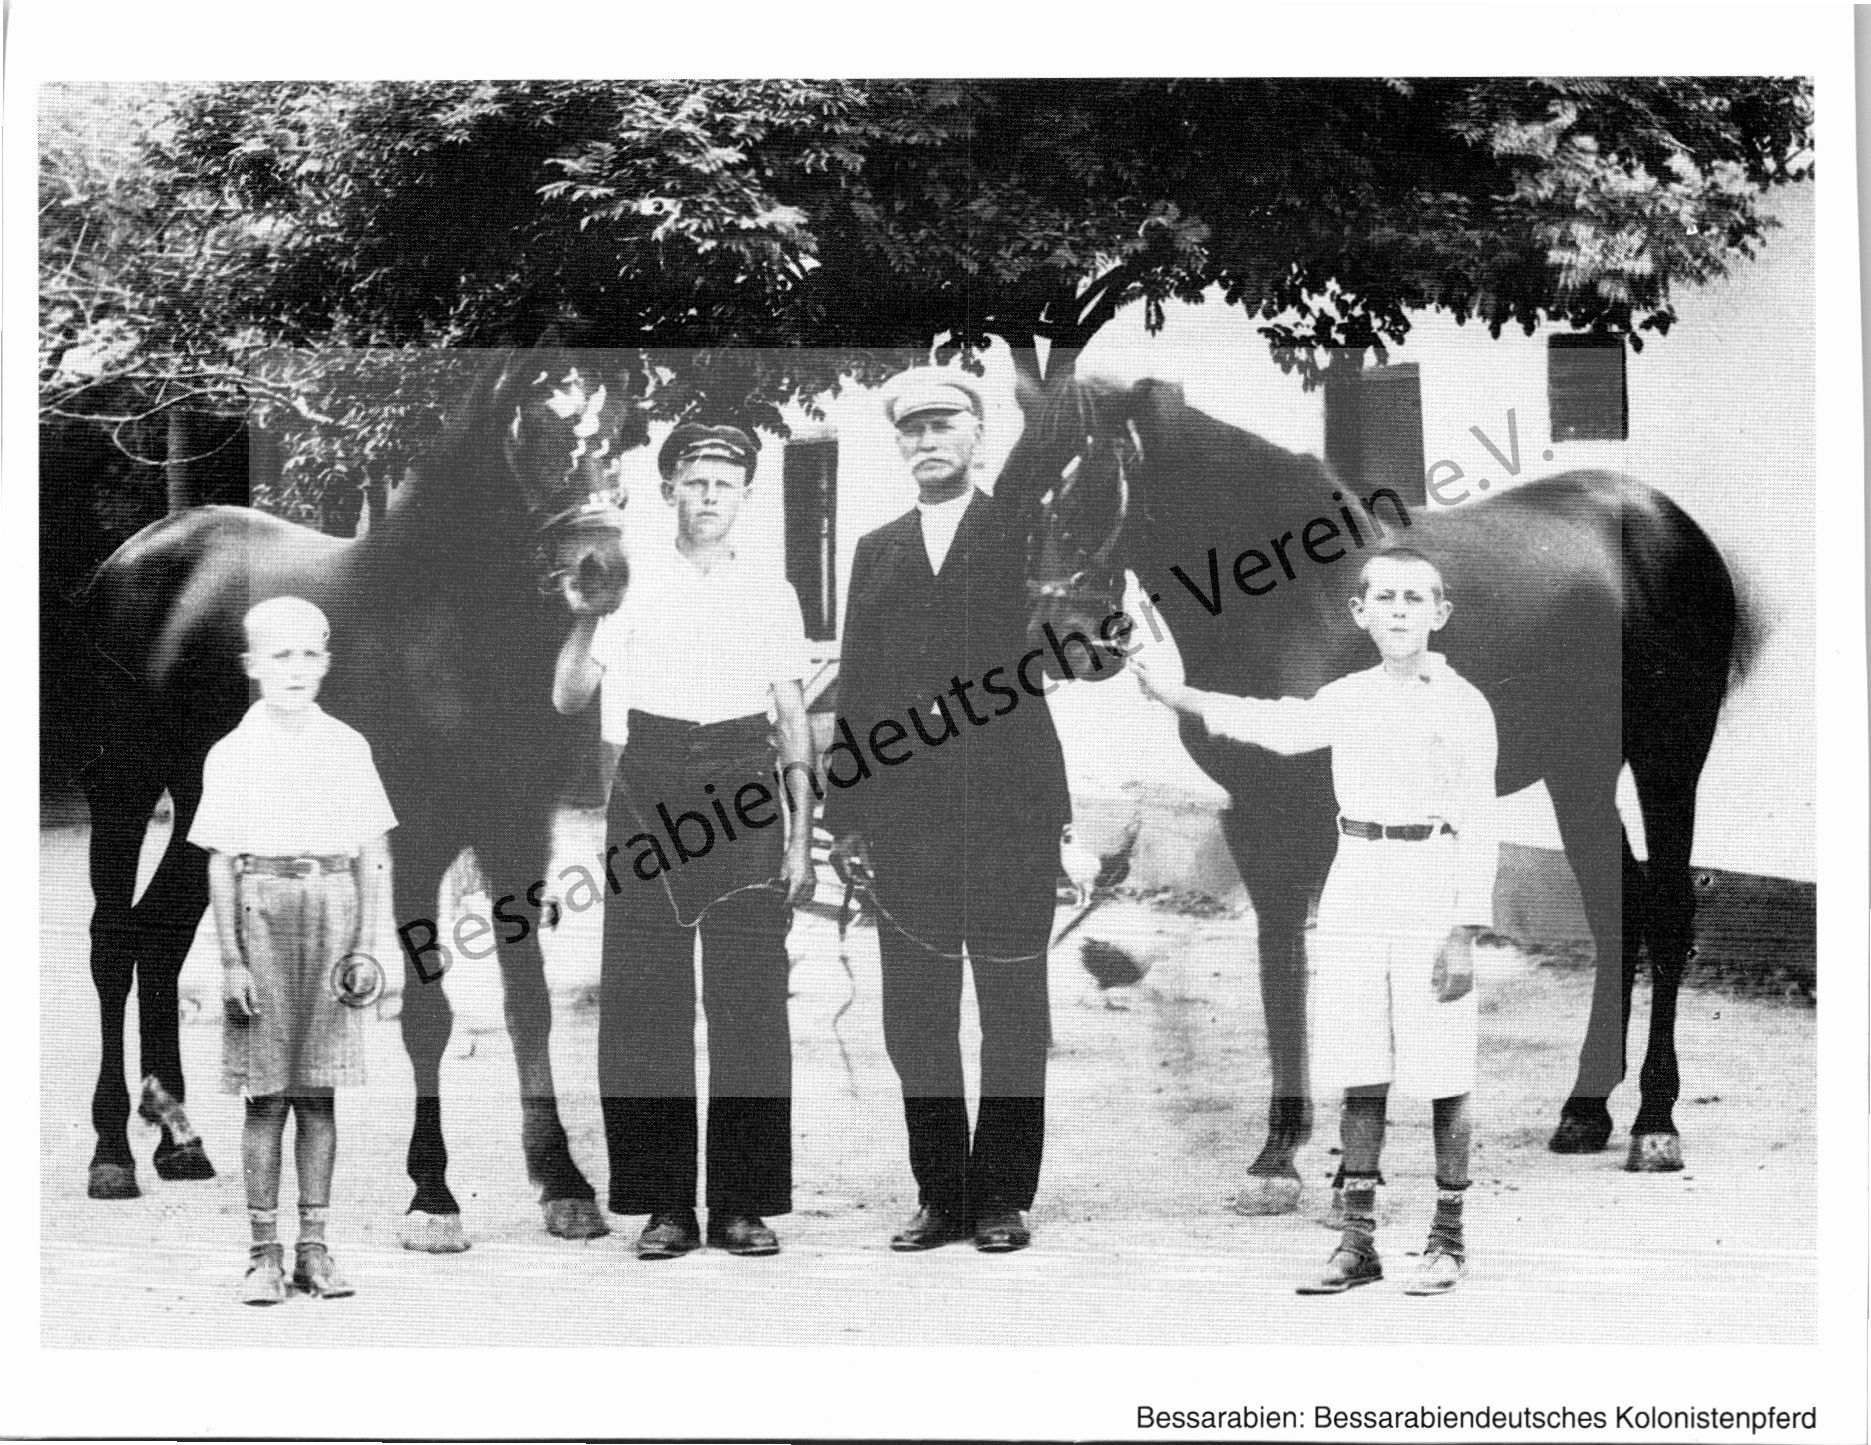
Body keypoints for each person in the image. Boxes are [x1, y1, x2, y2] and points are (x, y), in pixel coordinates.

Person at [1131, 546, 1499, 1295]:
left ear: (1439, 613)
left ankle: (1447, 1237)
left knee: (1441, 1068)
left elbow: (1481, 822)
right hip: (1356, 878)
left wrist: (1464, 927)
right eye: (1383, 598)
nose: (1398, 610)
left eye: (1413, 597)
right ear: (1359, 614)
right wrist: (1177, 696)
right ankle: (1358, 1240)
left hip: (1430, 882)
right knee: (1359, 1064)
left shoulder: (1464, 704)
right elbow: (1275, 723)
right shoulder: (1348, 695)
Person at [554, 421, 817, 1260]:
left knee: (748, 997)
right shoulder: (629, 582)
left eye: (724, 483)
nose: (708, 496)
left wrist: (801, 838)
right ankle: (666, 1203)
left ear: (744, 495)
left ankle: (741, 1203)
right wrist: (584, 615)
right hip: (651, 777)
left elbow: (792, 721)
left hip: (745, 781)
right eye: (694, 481)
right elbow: (569, 697)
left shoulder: (771, 590)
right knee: (644, 1000)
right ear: (669, 489)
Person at [827, 368, 1072, 1254]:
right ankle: (940, 1193)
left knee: (1013, 1008)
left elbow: (1063, 651)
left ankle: (1001, 1194)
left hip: (1010, 806)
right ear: (900, 444)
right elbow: (856, 685)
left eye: (945, 426)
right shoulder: (875, 549)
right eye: (913, 430)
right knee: (916, 1014)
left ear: (977, 438)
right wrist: (846, 816)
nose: (928, 442)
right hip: (906, 819)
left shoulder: (1022, 533)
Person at [188, 596, 396, 1305]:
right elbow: (220, 860)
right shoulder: (233, 752)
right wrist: (230, 960)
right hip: (262, 911)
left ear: (328, 662)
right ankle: (262, 1254)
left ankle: (315, 1248)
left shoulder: (348, 745)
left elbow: (373, 851)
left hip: (332, 909)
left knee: (318, 1093)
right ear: (251, 665)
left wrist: (366, 946)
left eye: (310, 653)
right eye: (280, 655)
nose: (296, 669)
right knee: (265, 1097)